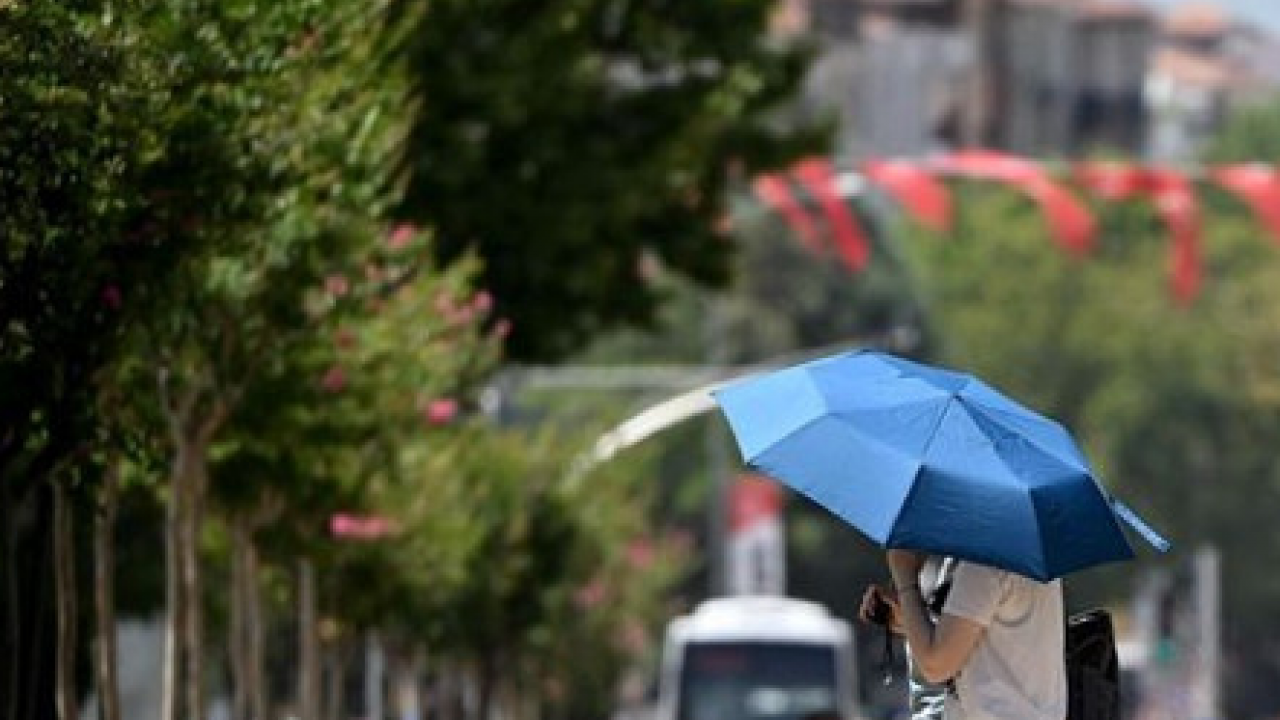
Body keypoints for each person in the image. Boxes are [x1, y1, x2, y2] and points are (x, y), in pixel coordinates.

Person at [858, 550, 1066, 720]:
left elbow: (936, 665)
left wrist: (904, 577)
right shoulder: (1029, 555)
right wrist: (910, 621)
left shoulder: (983, 564)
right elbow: (973, 648)